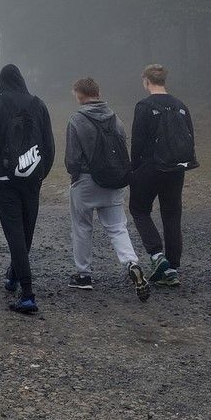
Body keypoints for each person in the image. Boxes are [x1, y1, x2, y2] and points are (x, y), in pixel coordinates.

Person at [64, 76, 150, 302]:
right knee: (118, 228)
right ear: (98, 93)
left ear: (79, 95)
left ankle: (84, 275)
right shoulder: (115, 118)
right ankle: (131, 262)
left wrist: (74, 176)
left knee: (82, 227)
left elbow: (72, 157)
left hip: (86, 181)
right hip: (113, 181)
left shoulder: (77, 120)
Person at [0, 64, 54, 314]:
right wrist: (41, 173)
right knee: (26, 231)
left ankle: (28, 293)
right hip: (32, 177)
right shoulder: (38, 104)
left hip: (4, 180)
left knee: (14, 233)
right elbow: (48, 143)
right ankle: (14, 275)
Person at [128, 63, 197, 287]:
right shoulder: (180, 105)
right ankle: (173, 269)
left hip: (150, 167)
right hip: (176, 167)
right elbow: (189, 137)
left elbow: (138, 141)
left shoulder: (144, 106)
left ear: (146, 81)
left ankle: (157, 255)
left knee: (139, 210)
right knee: (172, 214)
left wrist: (134, 168)